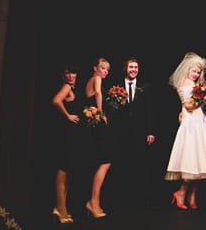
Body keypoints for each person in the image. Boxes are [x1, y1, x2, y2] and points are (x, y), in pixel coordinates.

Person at [164, 52, 206, 210]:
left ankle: (192, 195)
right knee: (191, 162)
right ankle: (180, 193)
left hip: (199, 122)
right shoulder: (184, 83)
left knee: (200, 163)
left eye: (198, 72)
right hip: (191, 124)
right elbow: (188, 105)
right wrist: (203, 98)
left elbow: (195, 104)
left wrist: (203, 97)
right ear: (188, 69)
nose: (196, 74)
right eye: (194, 71)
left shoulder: (197, 85)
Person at [107, 56, 156, 209]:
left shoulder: (145, 86)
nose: (133, 70)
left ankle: (140, 199)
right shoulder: (116, 86)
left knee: (140, 164)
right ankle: (121, 198)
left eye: (135, 67)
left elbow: (149, 110)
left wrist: (151, 132)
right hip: (121, 131)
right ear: (125, 69)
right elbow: (112, 109)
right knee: (121, 162)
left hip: (139, 131)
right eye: (130, 67)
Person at [51, 64, 84, 224]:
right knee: (63, 170)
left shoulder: (71, 88)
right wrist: (68, 116)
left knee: (68, 170)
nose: (70, 76)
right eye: (67, 73)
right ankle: (60, 208)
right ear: (63, 75)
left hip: (72, 135)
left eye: (73, 73)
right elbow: (56, 101)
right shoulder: (66, 87)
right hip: (66, 135)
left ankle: (62, 207)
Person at [84, 57, 112, 218]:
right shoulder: (96, 79)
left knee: (103, 161)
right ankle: (93, 202)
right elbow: (99, 93)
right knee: (105, 161)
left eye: (107, 70)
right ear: (95, 68)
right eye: (102, 68)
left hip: (91, 122)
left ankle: (94, 202)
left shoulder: (90, 80)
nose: (105, 72)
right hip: (96, 122)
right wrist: (101, 113)